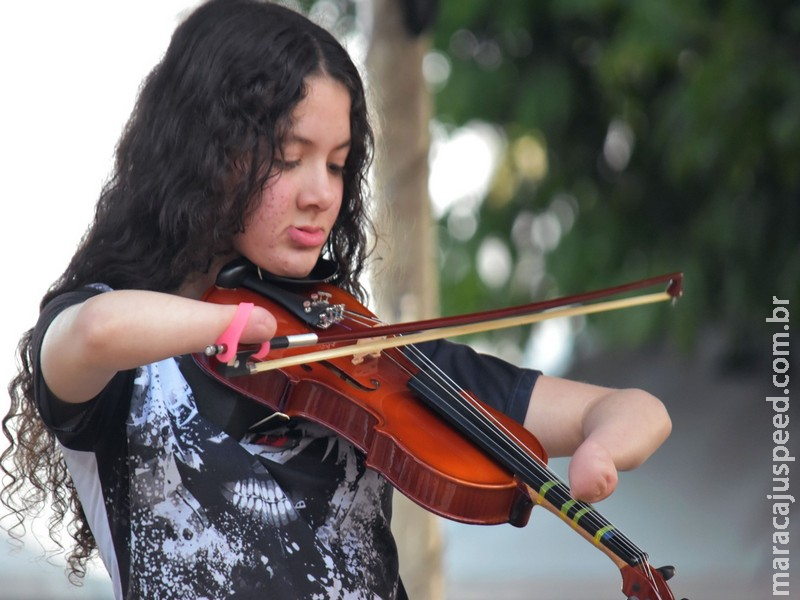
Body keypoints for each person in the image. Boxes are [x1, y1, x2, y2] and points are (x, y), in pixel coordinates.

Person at [1, 1, 672, 598]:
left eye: (338, 162)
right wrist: (228, 321)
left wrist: (599, 451)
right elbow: (92, 331)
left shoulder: (359, 354)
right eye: (289, 158)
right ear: (206, 152)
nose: (321, 193)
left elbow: (632, 410)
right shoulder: (114, 357)